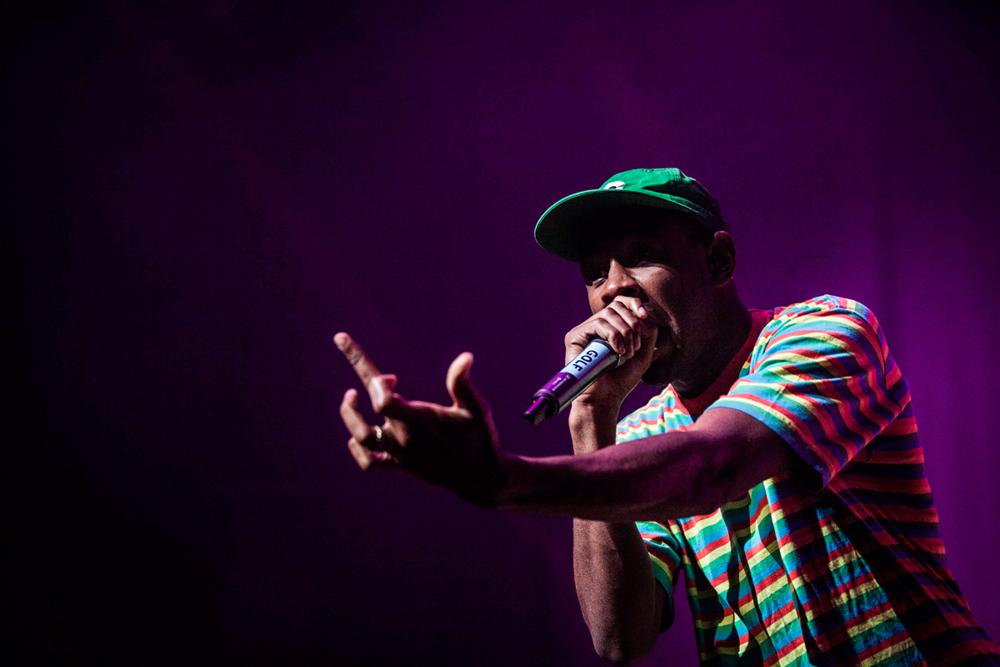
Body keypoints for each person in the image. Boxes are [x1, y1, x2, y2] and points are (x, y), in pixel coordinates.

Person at [336, 168, 1000, 665]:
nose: (613, 287)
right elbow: (621, 636)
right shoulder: (636, 438)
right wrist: (590, 419)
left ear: (717, 260)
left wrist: (508, 479)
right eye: (596, 271)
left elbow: (714, 464)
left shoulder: (824, 331)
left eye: (641, 256)